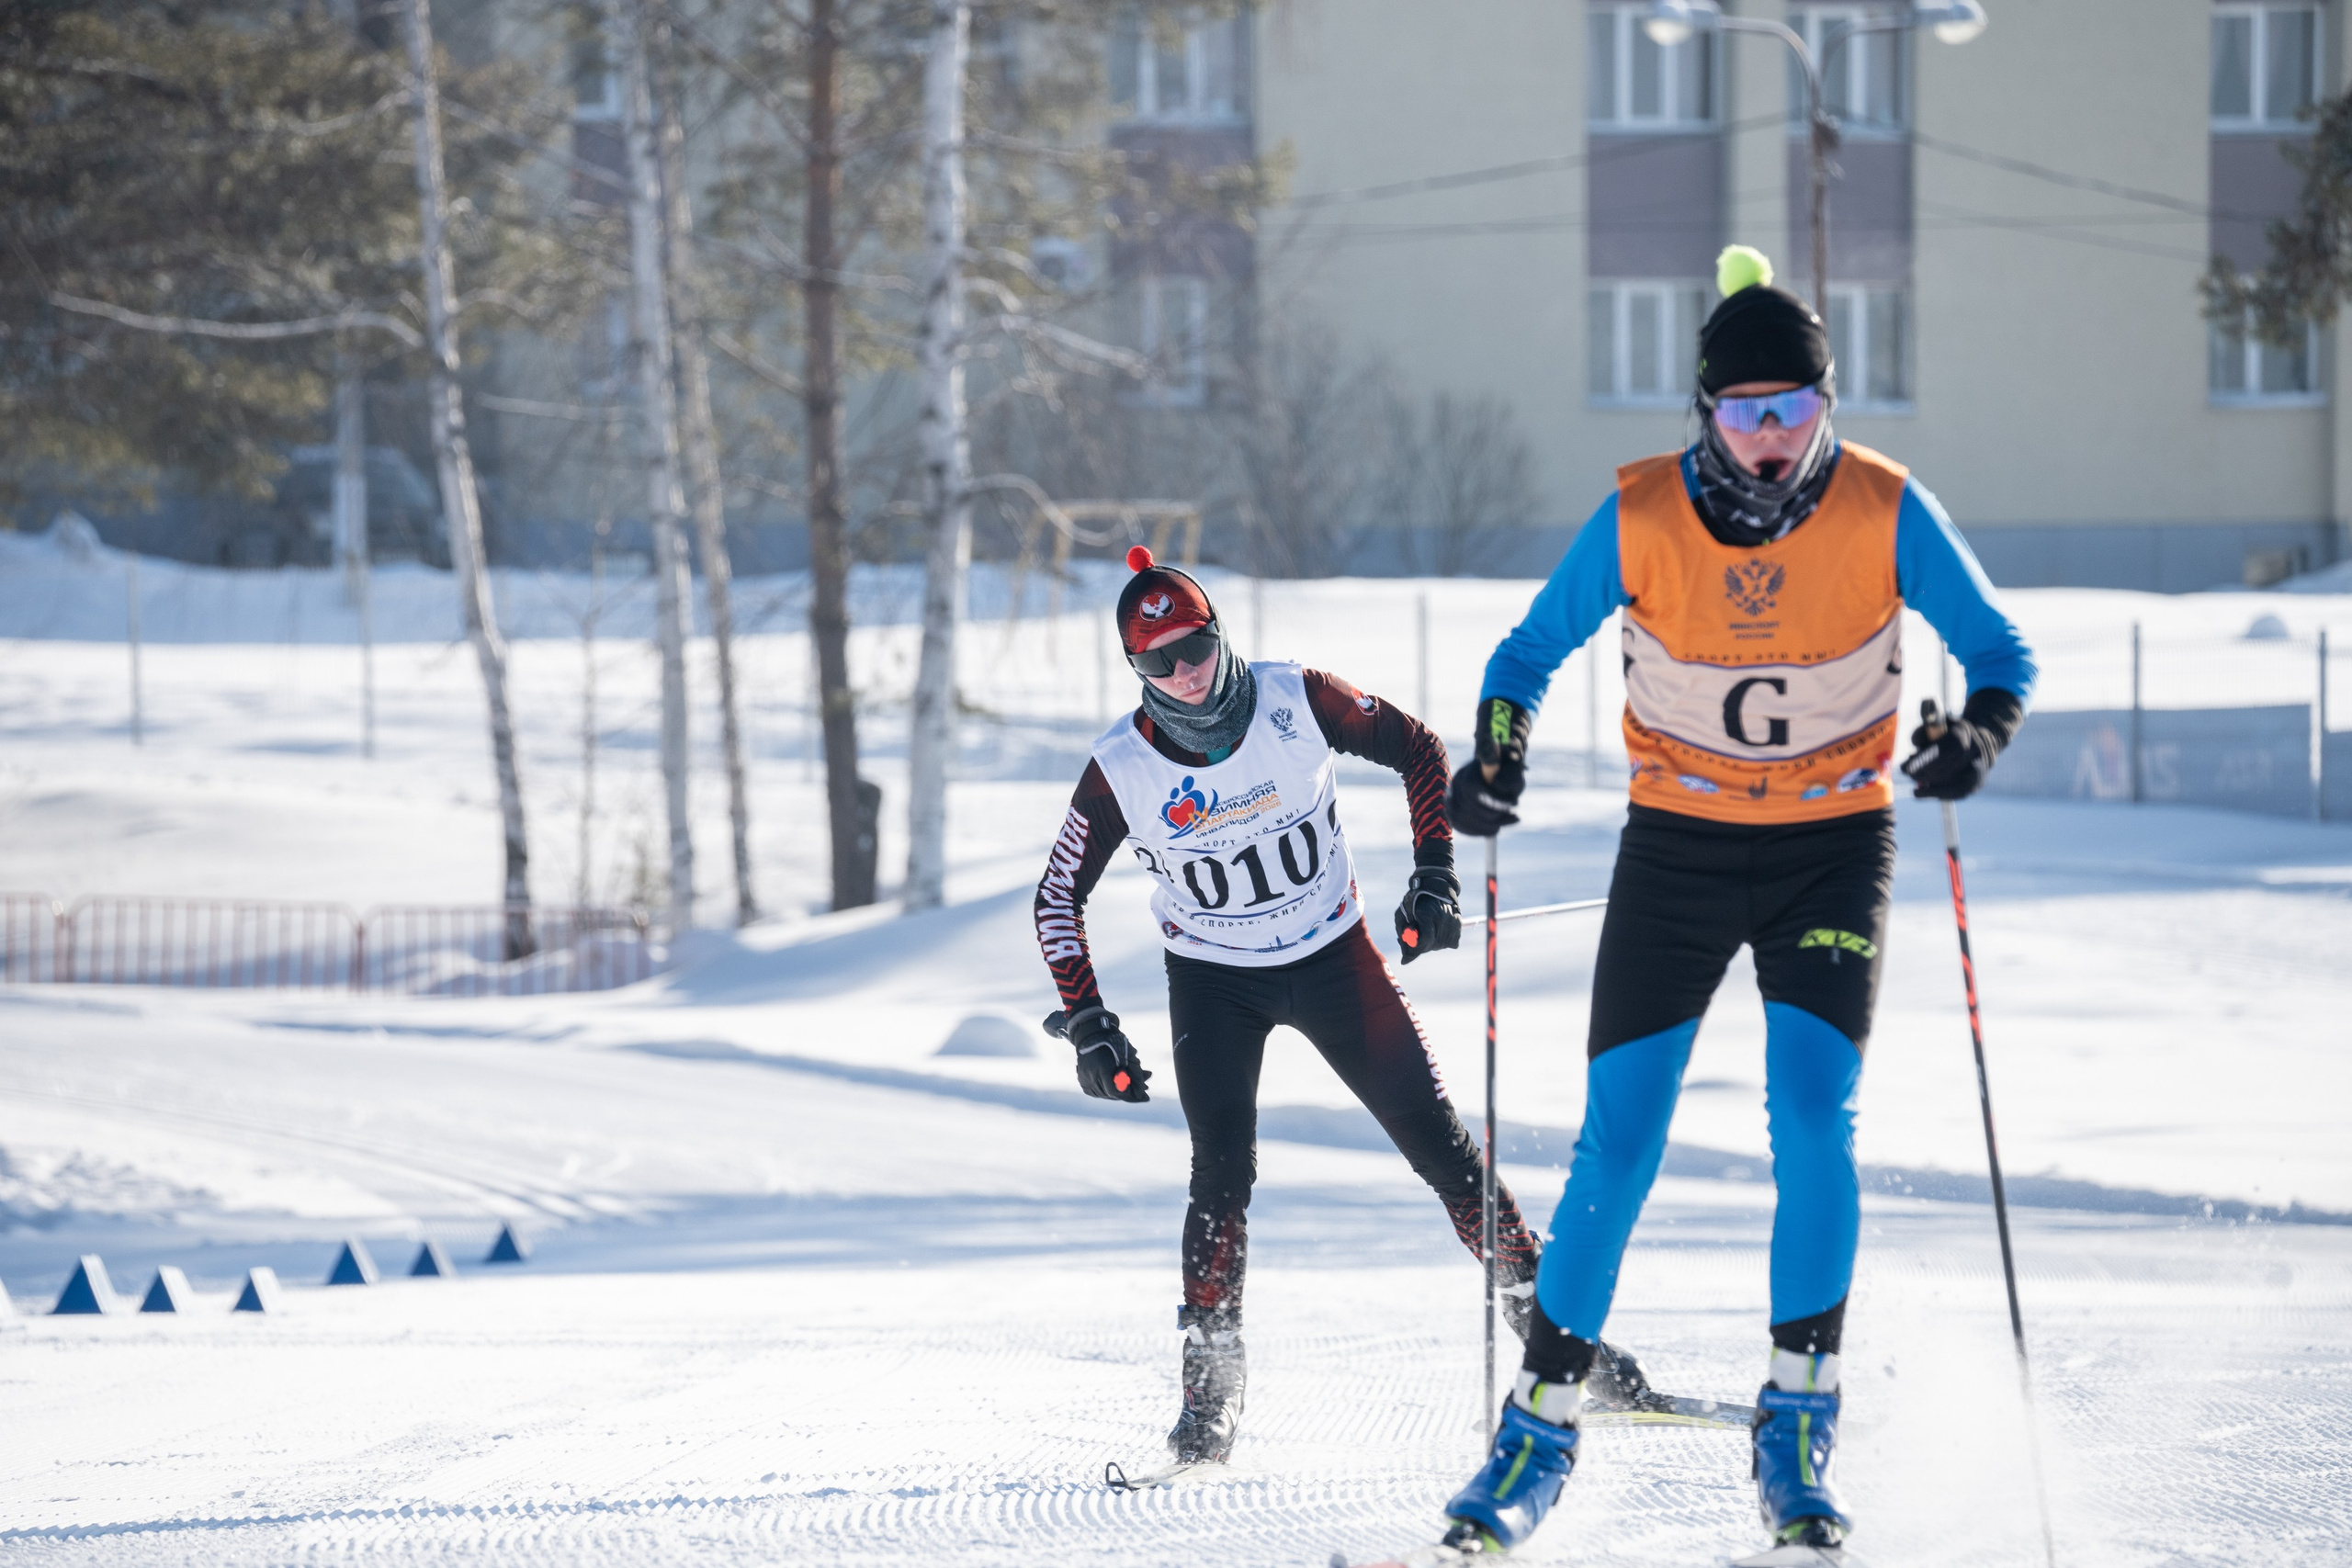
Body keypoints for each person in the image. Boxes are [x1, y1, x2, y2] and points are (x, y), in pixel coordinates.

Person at [1435, 246, 2038, 1559]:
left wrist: (1975, 741)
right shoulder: (1642, 515)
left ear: (1830, 405)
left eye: (1796, 411)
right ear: (1703, 414)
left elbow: (2002, 651)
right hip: (1680, 851)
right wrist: (1497, 754)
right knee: (1620, 1141)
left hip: (1831, 847)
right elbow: (1525, 655)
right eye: (1745, 412)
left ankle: (1798, 1421)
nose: (1771, 443)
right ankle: (1536, 1428)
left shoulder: (1884, 507)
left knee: (1812, 1117)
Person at [1031, 545, 1546, 1467]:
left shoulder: (1293, 699)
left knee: (1439, 1145)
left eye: (1193, 647)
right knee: (1220, 1172)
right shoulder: (1120, 768)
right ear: (1135, 670)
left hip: (1332, 955)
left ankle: (1551, 1342)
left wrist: (1434, 877)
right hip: (1212, 981)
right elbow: (1055, 896)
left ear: (1217, 635)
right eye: (1158, 663)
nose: (1183, 675)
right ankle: (1210, 1394)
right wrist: (1088, 1022)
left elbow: (1419, 749)